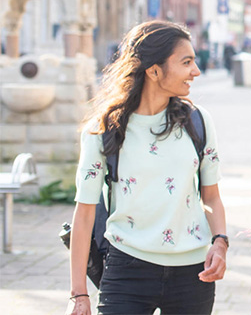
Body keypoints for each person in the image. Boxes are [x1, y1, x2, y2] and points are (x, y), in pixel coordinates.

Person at [67, 21, 227, 315]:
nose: (196, 71)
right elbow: (85, 211)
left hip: (193, 274)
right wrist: (79, 294)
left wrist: (220, 242)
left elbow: (212, 196)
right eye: (186, 62)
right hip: (126, 269)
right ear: (154, 71)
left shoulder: (198, 121)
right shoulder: (103, 130)